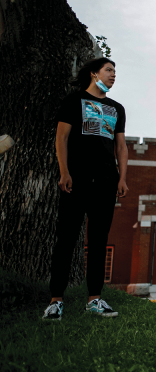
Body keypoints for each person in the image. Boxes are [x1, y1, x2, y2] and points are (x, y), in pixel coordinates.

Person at [43, 57, 128, 321]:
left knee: (99, 241)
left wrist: (122, 178)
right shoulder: (73, 101)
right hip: (76, 179)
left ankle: (94, 299)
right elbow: (62, 137)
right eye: (108, 70)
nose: (113, 75)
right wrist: (65, 172)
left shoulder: (117, 108)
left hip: (105, 181)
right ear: (94, 74)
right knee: (66, 239)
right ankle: (56, 301)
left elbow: (121, 147)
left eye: (115, 71)